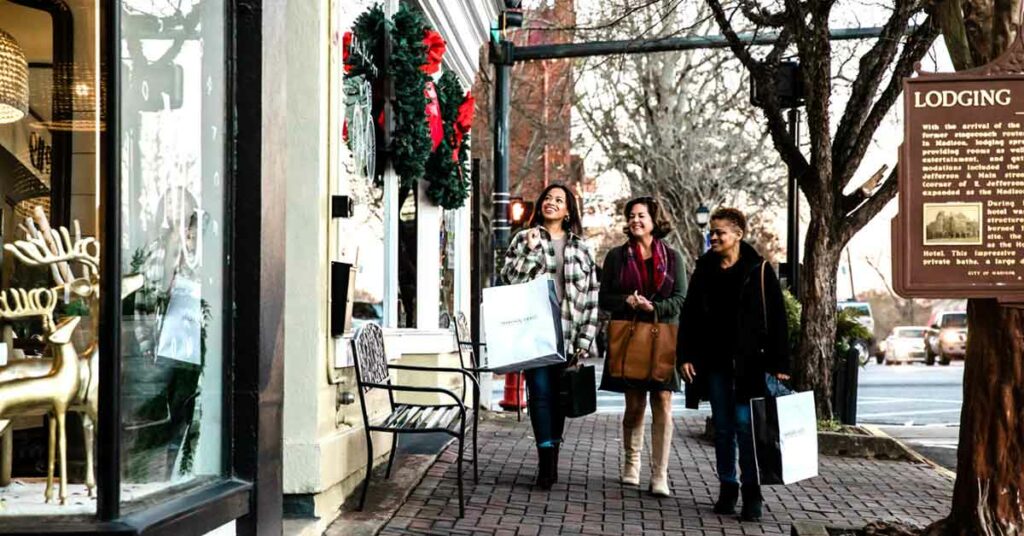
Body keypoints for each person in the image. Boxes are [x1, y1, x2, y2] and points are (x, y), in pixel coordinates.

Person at [678, 207, 790, 522]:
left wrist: (781, 364)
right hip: (713, 363)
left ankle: (752, 492)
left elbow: (778, 320)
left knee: (746, 427)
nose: (713, 237)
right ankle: (728, 487)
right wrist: (685, 355)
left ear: (737, 234)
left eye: (720, 232)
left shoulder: (759, 270)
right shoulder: (704, 269)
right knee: (724, 429)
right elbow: (689, 316)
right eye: (711, 232)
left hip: (750, 365)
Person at [500, 183, 600, 489]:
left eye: (559, 200)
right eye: (547, 198)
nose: (551, 203)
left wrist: (585, 340)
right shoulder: (523, 239)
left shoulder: (581, 247)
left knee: (559, 398)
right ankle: (546, 461)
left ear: (568, 209)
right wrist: (530, 250)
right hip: (535, 331)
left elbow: (593, 294)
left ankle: (552, 451)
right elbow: (508, 280)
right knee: (540, 394)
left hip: (568, 333)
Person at [598, 196, 686, 497]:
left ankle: (660, 474)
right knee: (634, 404)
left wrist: (654, 307)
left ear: (654, 221)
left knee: (663, 401)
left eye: (641, 216)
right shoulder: (616, 257)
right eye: (631, 215)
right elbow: (604, 299)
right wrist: (627, 301)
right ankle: (631, 463)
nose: (635, 220)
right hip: (631, 338)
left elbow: (680, 299)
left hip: (662, 337)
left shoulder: (673, 258)